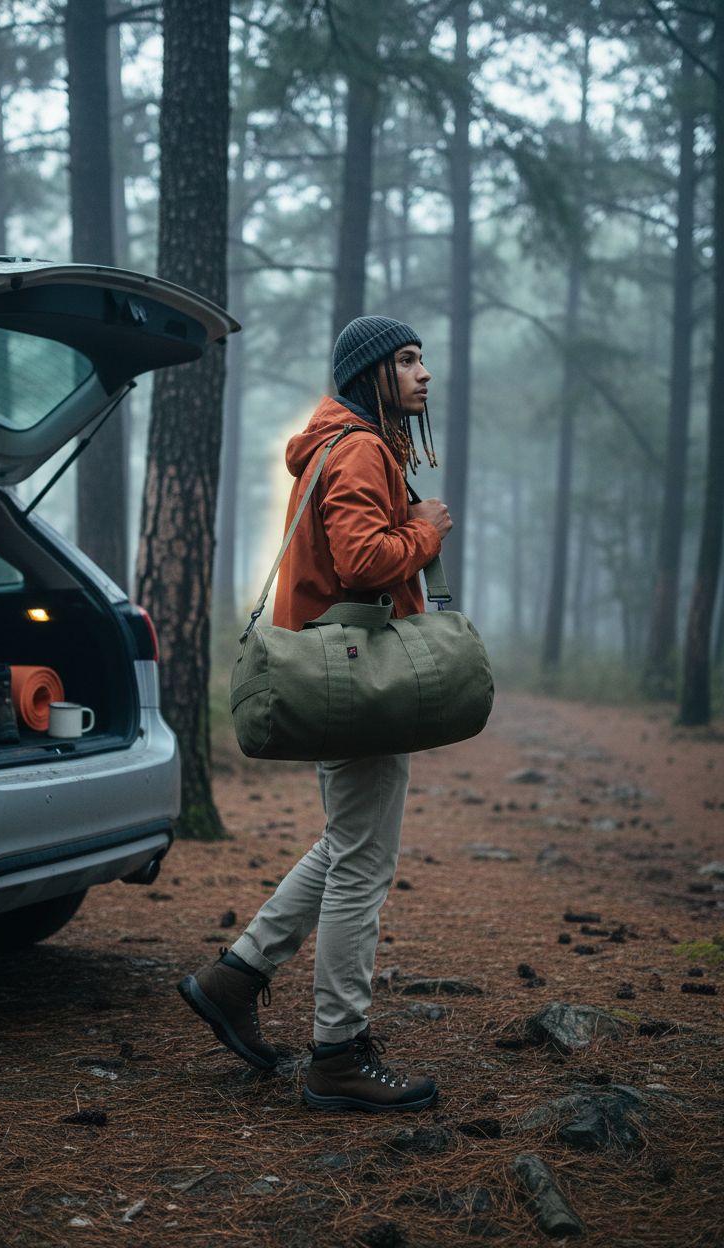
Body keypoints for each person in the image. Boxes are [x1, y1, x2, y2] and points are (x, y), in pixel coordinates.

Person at [178, 316, 452, 1112]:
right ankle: (337, 1052)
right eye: (405, 361)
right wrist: (425, 533)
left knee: (346, 844)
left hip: (345, 670)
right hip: (355, 672)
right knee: (363, 863)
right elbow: (363, 558)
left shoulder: (351, 443)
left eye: (422, 358)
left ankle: (236, 979)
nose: (422, 373)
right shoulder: (363, 447)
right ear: (371, 374)